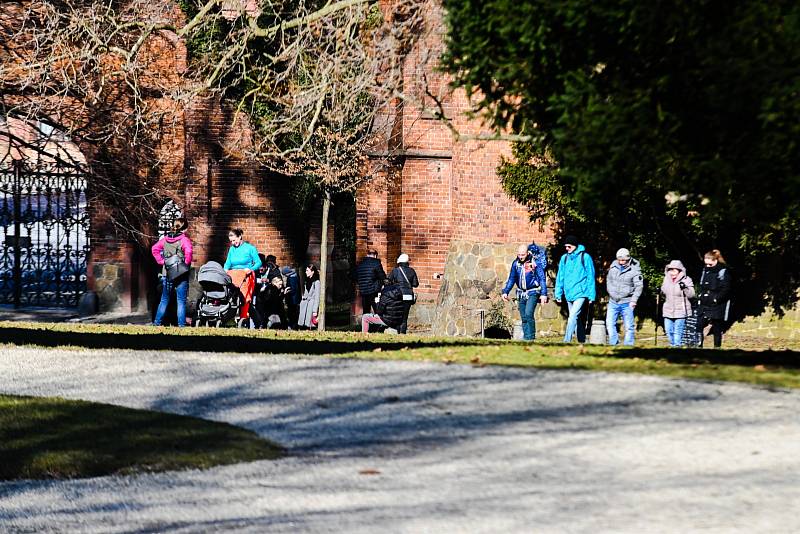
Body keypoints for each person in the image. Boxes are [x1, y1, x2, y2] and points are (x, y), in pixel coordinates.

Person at [151, 217, 193, 327]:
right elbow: (188, 253)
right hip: (181, 274)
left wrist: (161, 261)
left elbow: (154, 249)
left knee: (164, 299)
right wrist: (186, 264)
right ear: (185, 228)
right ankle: (181, 325)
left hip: (167, 273)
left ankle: (157, 323)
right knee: (181, 301)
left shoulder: (165, 239)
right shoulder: (184, 240)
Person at [553, 235, 596, 343]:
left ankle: (566, 340)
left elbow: (590, 276)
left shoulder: (585, 257)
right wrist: (558, 293)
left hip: (581, 293)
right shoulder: (564, 258)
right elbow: (560, 276)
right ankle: (581, 341)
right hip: (569, 293)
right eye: (566, 247)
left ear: (575, 246)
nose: (567, 249)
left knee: (572, 316)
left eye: (569, 247)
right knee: (576, 319)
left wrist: (591, 295)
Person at [501, 244, 548, 341]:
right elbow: (512, 279)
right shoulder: (516, 264)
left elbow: (542, 278)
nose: (520, 257)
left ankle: (531, 337)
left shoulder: (535, 262)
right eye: (519, 255)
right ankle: (526, 338)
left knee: (528, 313)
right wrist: (506, 291)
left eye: (523, 255)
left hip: (533, 292)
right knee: (523, 317)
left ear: (527, 253)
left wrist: (543, 294)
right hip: (521, 293)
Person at [605, 248, 644, 346]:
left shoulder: (635, 269)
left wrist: (634, 301)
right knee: (609, 324)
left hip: (627, 302)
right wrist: (610, 291)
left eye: (624, 260)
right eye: (620, 260)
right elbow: (608, 280)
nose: (622, 262)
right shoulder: (613, 267)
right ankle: (613, 343)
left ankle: (628, 345)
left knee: (629, 326)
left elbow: (639, 286)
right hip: (613, 301)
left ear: (628, 258)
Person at [223, 228, 261, 323]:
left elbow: (258, 262)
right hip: (234, 275)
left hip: (246, 276)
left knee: (245, 299)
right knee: (233, 297)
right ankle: (257, 321)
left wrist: (251, 269)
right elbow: (228, 263)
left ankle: (243, 318)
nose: (232, 243)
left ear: (239, 237)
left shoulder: (250, 248)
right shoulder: (232, 249)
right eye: (231, 241)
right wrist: (225, 270)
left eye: (234, 240)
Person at [698, 249, 731, 348]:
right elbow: (702, 284)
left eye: (710, 264)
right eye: (706, 264)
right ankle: (698, 345)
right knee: (699, 324)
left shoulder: (722, 271)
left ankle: (717, 347)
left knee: (717, 327)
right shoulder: (705, 270)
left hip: (717, 304)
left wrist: (716, 298)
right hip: (704, 301)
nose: (708, 266)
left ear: (716, 260)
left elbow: (726, 288)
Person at [660, 259, 695, 347]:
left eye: (674, 270)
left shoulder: (687, 280)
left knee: (677, 331)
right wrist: (660, 291)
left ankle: (677, 346)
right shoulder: (666, 279)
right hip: (668, 309)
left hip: (681, 310)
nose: (672, 272)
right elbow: (664, 291)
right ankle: (673, 345)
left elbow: (692, 294)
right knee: (668, 331)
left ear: (680, 270)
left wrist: (685, 288)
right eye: (670, 270)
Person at [388, 253, 419, 334]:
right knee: (405, 317)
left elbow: (388, 282)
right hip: (408, 296)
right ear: (407, 262)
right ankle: (403, 333)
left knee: (398, 316)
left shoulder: (395, 271)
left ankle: (399, 333)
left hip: (398, 295)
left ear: (399, 262)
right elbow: (416, 284)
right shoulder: (412, 271)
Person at [355, 249, 386, 315]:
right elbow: (382, 276)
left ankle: (366, 324)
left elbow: (355, 276)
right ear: (375, 255)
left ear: (367, 255)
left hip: (363, 290)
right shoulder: (376, 263)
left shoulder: (360, 264)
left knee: (366, 310)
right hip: (374, 290)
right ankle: (378, 324)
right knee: (377, 309)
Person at [298, 264, 320, 329]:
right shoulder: (307, 281)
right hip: (305, 304)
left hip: (311, 304)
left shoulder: (316, 282)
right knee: (303, 323)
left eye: (307, 270)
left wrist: (315, 310)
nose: (305, 272)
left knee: (309, 323)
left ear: (312, 272)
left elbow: (317, 297)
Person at [281, 265, 301, 329]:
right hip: (295, 298)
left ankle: (292, 325)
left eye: (285, 274)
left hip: (292, 299)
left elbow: (293, 289)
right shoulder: (295, 275)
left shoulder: (292, 278)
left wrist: (286, 290)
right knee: (294, 313)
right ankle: (293, 325)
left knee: (292, 313)